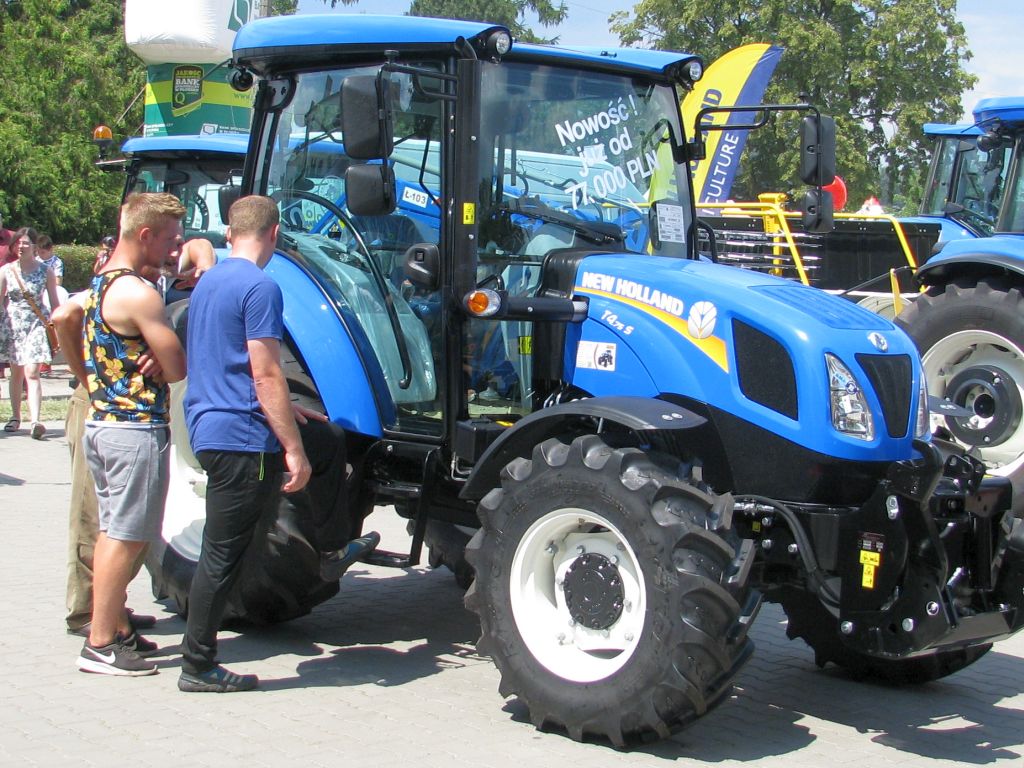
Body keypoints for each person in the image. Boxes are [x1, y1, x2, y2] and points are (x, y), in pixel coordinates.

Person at [179, 195, 377, 693]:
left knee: (327, 439)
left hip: (211, 425)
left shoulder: (209, 283)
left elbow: (230, 362)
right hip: (241, 437)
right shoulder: (260, 286)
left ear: (230, 233)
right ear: (273, 234)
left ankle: (331, 548)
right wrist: (292, 448)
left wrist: (292, 413)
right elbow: (265, 372)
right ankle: (197, 665)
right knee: (222, 555)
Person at [53, 229, 216, 639]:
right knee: (97, 519)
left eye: (178, 246)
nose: (175, 254)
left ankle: (114, 610)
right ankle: (88, 613)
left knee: (129, 522)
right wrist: (86, 376)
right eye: (170, 243)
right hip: (103, 404)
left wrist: (205, 258)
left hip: (128, 407)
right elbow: (63, 317)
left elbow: (199, 249)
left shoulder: (155, 280)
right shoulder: (118, 284)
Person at [57, 192, 187, 677]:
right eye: (170, 238)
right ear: (145, 234)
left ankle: (115, 627)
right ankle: (101, 643)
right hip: (134, 429)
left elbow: (66, 321)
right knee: (126, 537)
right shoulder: (139, 293)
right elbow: (176, 367)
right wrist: (163, 348)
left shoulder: (101, 283)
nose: (175, 248)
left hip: (105, 423)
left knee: (114, 532)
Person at [0, 227, 61, 438]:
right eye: (18, 242)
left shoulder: (46, 271)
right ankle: (15, 416)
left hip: (36, 323)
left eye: (25, 242)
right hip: (12, 326)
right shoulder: (6, 271)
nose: (21, 246)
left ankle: (35, 420)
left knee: (32, 372)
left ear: (34, 246)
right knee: (16, 373)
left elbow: (55, 302)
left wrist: (58, 326)